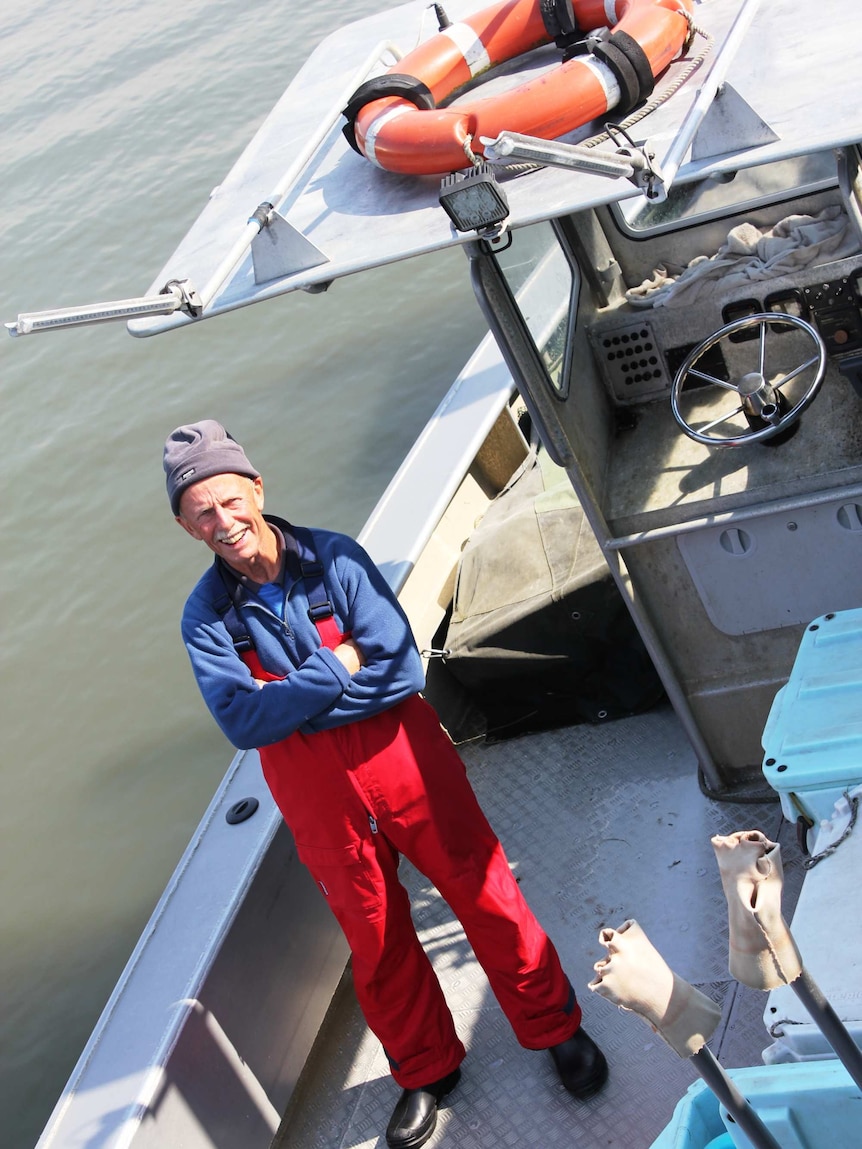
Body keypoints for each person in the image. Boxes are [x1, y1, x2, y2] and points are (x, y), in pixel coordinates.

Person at [164, 419, 608, 1148]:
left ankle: (554, 1026)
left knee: (485, 886)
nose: (222, 521)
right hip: (319, 801)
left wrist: (294, 702)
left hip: (405, 761)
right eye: (201, 512)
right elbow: (242, 721)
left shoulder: (335, 557)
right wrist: (336, 666)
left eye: (228, 498)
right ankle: (427, 1067)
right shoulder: (204, 618)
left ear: (257, 488)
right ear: (187, 528)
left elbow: (398, 670)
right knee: (373, 933)